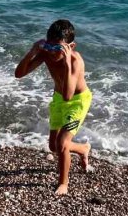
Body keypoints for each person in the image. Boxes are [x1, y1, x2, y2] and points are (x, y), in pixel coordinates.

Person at [15, 19, 92, 195]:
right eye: (49, 46)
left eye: (58, 48)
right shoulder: (46, 54)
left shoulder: (75, 61)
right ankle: (83, 149)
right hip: (58, 99)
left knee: (62, 143)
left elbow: (68, 96)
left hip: (77, 102)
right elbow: (19, 74)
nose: (53, 52)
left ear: (71, 47)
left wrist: (66, 62)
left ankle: (63, 183)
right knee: (53, 147)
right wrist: (32, 52)